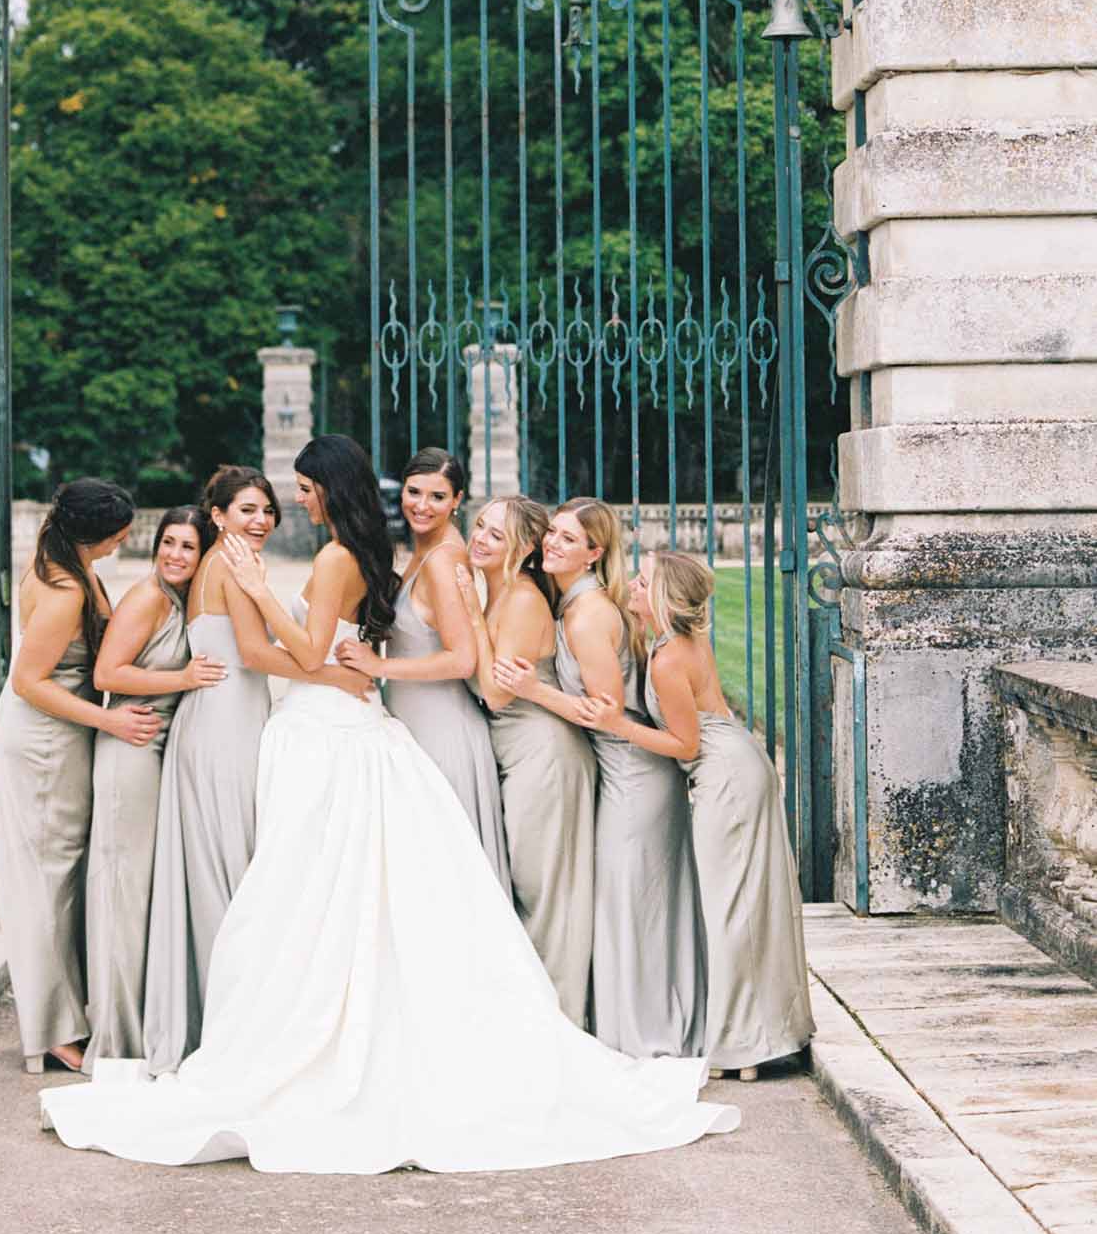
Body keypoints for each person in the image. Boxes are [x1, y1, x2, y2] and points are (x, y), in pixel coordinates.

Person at [39, 435, 738, 1175]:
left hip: (333, 724)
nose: (295, 503)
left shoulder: (346, 558)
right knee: (333, 891)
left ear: (325, 489)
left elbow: (313, 655)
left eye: (304, 490)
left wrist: (260, 591)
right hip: (342, 719)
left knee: (320, 892)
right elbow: (326, 656)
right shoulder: (370, 554)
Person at [142, 466, 371, 1075]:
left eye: (267, 509)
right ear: (216, 515)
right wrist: (336, 675)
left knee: (231, 868)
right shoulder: (229, 566)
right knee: (232, 875)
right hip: (222, 725)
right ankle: (233, 1030)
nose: (262, 520)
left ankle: (228, 1019)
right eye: (247, 509)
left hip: (230, 717)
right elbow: (255, 653)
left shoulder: (232, 563)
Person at [584, 549, 814, 1079]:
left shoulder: (668, 660)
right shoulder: (675, 643)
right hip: (735, 764)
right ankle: (753, 1033)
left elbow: (685, 745)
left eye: (642, 584)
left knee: (731, 906)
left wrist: (615, 723)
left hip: (726, 777)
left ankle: (744, 1045)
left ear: (662, 600)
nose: (632, 591)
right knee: (741, 904)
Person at [501, 499, 706, 1059]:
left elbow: (606, 710)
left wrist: (534, 691)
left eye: (569, 539)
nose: (553, 544)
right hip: (619, 773)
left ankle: (646, 1035)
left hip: (634, 776)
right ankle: (630, 1025)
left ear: (595, 552)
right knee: (625, 902)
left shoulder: (589, 615)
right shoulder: (571, 603)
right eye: (552, 534)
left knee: (629, 904)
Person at [0, 478, 157, 1075]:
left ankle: (69, 1012)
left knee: (62, 873)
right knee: (46, 880)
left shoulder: (69, 558)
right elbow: (29, 683)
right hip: (42, 742)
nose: (123, 541)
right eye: (118, 534)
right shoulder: (62, 589)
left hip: (64, 736)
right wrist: (109, 723)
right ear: (94, 534)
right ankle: (53, 1029)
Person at [83, 506, 225, 1070]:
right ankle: (114, 1038)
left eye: (187, 547)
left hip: (157, 746)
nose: (174, 555)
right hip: (130, 747)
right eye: (168, 543)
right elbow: (106, 675)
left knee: (141, 894)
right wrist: (183, 679)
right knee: (121, 890)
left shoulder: (184, 601)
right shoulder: (147, 598)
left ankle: (143, 1021)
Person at [334, 447, 508, 885]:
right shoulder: (423, 552)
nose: (420, 505)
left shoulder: (446, 560)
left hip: (443, 732)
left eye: (437, 496)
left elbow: (462, 658)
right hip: (414, 725)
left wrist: (379, 666)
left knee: (446, 871)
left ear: (457, 501)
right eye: (414, 491)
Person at [456, 496, 597, 1022]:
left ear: (519, 547)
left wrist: (472, 616)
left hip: (546, 753)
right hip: (517, 754)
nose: (479, 538)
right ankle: (533, 1015)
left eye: (495, 534)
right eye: (479, 526)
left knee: (546, 894)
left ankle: (560, 1022)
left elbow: (495, 693)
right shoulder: (498, 589)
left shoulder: (518, 599)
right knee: (527, 887)